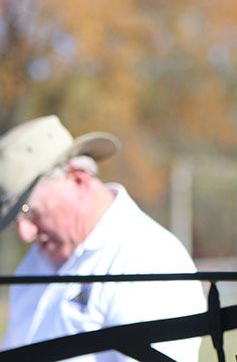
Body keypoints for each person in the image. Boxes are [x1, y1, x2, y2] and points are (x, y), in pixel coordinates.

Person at [0, 115, 206, 361]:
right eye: (15, 223)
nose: (26, 234)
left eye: (31, 212)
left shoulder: (152, 258)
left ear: (78, 179)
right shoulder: (35, 262)